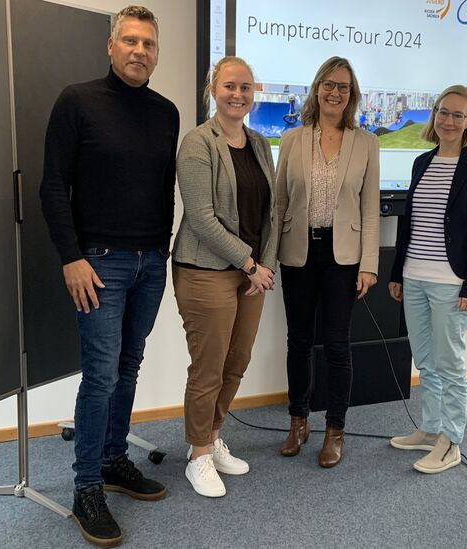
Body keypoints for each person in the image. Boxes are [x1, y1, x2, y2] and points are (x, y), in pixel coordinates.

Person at [40, 6, 179, 546]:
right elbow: (53, 185)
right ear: (110, 46)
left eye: (148, 42)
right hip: (98, 262)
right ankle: (86, 488)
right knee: (100, 373)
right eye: (130, 40)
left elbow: (164, 185)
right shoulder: (77, 102)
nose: (140, 50)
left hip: (150, 261)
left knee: (128, 363)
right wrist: (72, 258)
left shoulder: (166, 112)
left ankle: (115, 459)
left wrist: (161, 251)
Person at [173, 56, 277, 497]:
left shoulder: (259, 143)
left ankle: (211, 437)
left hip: (252, 275)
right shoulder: (198, 143)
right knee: (209, 367)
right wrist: (250, 263)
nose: (238, 94)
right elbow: (201, 217)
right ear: (213, 89)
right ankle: (196, 455)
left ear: (255, 93)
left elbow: (272, 211)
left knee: (236, 363)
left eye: (246, 87)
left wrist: (262, 266)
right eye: (230, 86)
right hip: (206, 270)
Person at [276, 57, 380, 468]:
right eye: (328, 84)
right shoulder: (291, 139)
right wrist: (268, 256)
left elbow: (370, 209)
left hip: (344, 258)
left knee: (337, 344)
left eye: (343, 86)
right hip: (298, 253)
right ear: (317, 88)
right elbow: (280, 202)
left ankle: (335, 429)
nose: (335, 92)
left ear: (351, 95)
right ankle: (298, 422)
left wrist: (369, 264)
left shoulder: (366, 143)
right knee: (298, 341)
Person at [388, 85, 467, 474]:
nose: (449, 121)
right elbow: (409, 224)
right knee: (427, 361)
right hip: (414, 276)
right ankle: (431, 428)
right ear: (434, 115)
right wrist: (398, 272)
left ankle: (451, 441)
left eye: (458, 115)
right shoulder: (421, 162)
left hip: (451, 281)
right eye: (443, 112)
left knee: (450, 364)